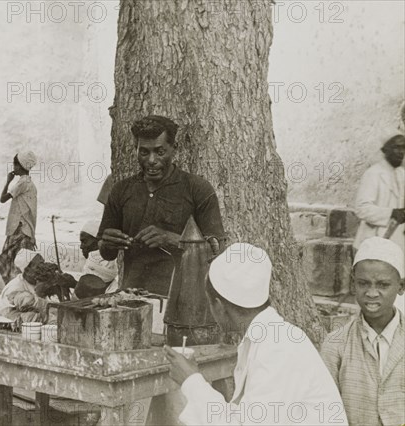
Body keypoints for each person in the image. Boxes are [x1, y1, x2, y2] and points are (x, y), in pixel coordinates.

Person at [165, 243, 347, 425]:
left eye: (210, 304)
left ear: (219, 307)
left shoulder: (278, 349)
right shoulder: (268, 337)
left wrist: (191, 380)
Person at [98, 115, 225, 295]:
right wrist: (108, 244)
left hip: (183, 302)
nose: (151, 160)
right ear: (136, 150)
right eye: (144, 152)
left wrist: (172, 240)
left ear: (174, 149)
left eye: (160, 152)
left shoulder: (197, 189)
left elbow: (217, 250)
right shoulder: (121, 190)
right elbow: (106, 253)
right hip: (132, 299)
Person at [321, 237, 404, 426]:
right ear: (353, 284)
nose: (372, 293)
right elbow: (326, 410)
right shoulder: (336, 344)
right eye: (363, 283)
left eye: (383, 285)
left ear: (401, 286)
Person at [354, 134, 405, 252]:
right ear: (385, 150)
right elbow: (362, 209)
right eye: (396, 147)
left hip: (396, 242)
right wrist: (391, 213)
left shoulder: (401, 174)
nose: (401, 152)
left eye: (403, 148)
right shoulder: (373, 173)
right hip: (372, 241)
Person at [0, 151, 38, 283]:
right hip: (24, 228)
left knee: (12, 262)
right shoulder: (29, 183)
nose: (13, 168)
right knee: (19, 261)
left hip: (20, 228)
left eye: (15, 165)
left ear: (20, 166)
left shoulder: (22, 183)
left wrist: (8, 181)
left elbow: (2, 199)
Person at [79, 220, 118, 295]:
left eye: (84, 241)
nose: (81, 246)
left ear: (99, 243)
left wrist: (73, 283)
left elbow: (92, 290)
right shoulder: (90, 264)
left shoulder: (96, 264)